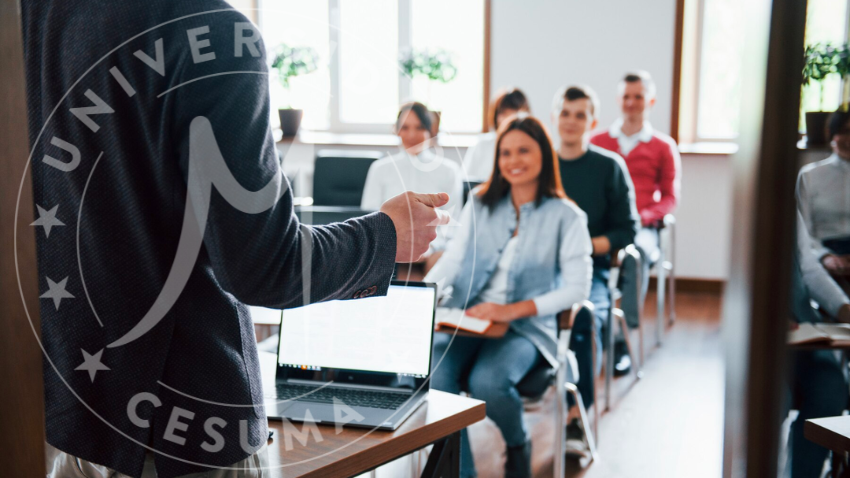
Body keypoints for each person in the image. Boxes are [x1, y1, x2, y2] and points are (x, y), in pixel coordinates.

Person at [24, 3, 449, 477]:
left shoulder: (36, 15)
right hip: (181, 425)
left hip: (72, 408)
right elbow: (266, 267)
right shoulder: (212, 33)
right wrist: (386, 236)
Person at [425, 114, 592, 478]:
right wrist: (424, 298)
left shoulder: (568, 216)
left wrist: (511, 310)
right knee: (435, 375)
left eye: (524, 151)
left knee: (488, 382)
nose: (513, 160)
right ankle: (462, 472)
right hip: (468, 316)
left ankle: (518, 443)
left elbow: (577, 288)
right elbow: (453, 259)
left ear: (544, 155)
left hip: (526, 326)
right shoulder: (480, 202)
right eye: (506, 152)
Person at [552, 85, 640, 415]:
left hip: (591, 269)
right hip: (542, 268)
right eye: (565, 113)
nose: (570, 121)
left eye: (580, 115)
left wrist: (582, 247)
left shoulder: (609, 167)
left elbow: (627, 230)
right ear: (554, 117)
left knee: (584, 317)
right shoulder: (540, 165)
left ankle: (578, 413)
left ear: (592, 122)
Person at [590, 71, 681, 374]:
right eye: (626, 97)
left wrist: (645, 216)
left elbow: (669, 197)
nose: (631, 103)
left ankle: (621, 337)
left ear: (650, 101)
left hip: (642, 227)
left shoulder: (663, 146)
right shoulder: (598, 141)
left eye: (638, 97)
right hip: (604, 226)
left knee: (635, 254)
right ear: (618, 100)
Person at [361, 101, 463, 271]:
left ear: (430, 130)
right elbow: (369, 216)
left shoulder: (449, 170)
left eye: (419, 127)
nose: (411, 134)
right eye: (405, 127)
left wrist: (430, 247)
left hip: (432, 250)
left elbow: (453, 221)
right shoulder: (380, 168)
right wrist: (394, 246)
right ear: (396, 130)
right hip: (388, 249)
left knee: (442, 262)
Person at [785, 212, 850, 477]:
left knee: (831, 392)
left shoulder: (791, 207)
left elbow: (809, 268)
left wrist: (844, 308)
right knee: (776, 400)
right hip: (763, 339)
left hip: (805, 329)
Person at [797, 109, 850, 278]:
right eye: (845, 131)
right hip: (824, 251)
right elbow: (802, 229)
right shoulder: (810, 175)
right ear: (831, 134)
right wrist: (824, 256)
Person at [462, 87, 531, 181]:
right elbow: (466, 181)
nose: (508, 118)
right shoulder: (482, 145)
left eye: (514, 112)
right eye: (503, 113)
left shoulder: (533, 145)